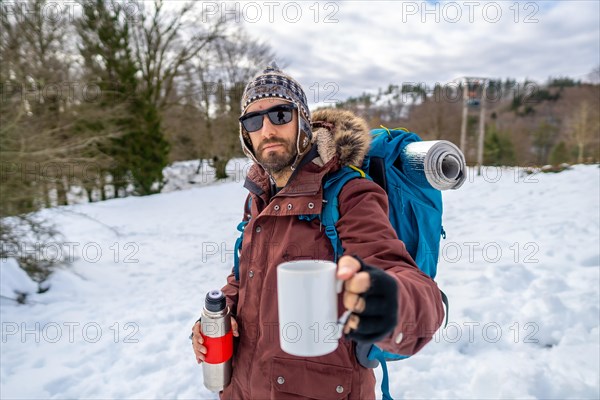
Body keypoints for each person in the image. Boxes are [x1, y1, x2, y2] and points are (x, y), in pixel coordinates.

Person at [191, 63, 444, 399]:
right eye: (253, 120)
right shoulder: (258, 197)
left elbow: (401, 275)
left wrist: (391, 303)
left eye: (280, 114)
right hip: (243, 388)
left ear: (302, 122)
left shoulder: (349, 193)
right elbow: (245, 276)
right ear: (246, 135)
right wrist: (219, 317)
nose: (267, 129)